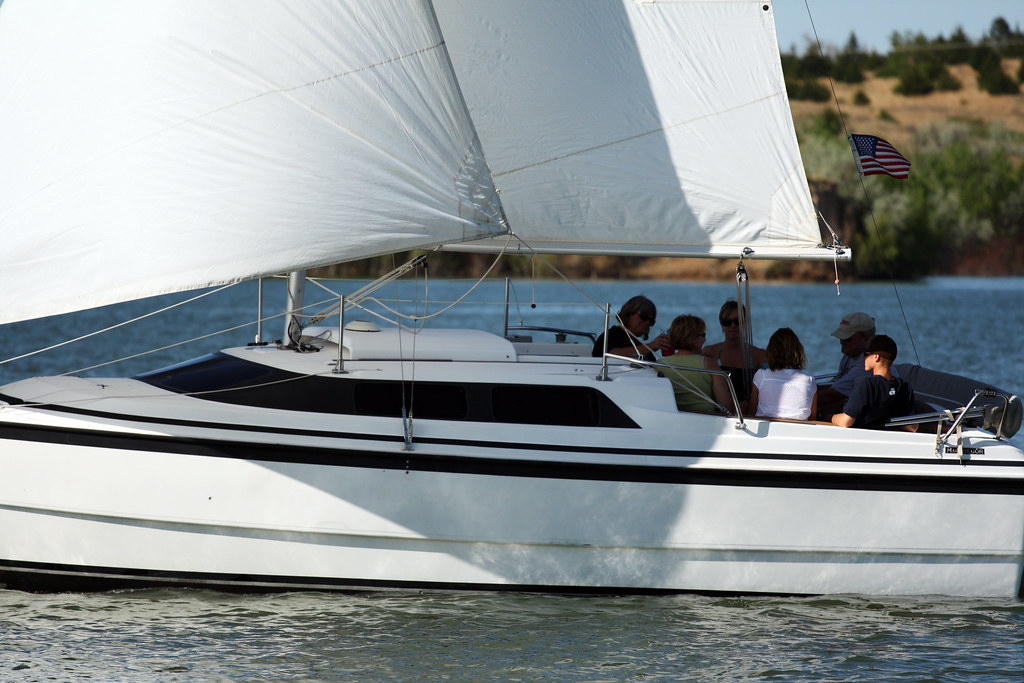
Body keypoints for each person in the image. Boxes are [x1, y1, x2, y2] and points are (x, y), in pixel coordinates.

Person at [832, 335, 916, 430]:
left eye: (865, 354)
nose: (863, 359)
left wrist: (830, 417)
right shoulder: (904, 387)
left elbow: (846, 422)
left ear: (876, 357)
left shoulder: (865, 384)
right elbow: (911, 426)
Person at [701, 300, 765, 411]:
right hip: (719, 414)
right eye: (727, 322)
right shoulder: (709, 352)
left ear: (745, 323)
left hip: (748, 414)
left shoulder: (759, 355)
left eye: (737, 321)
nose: (732, 326)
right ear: (721, 324)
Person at [662, 314, 731, 413]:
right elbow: (727, 407)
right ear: (693, 338)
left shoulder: (658, 365)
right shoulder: (708, 364)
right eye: (703, 335)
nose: (704, 339)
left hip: (672, 418)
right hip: (706, 418)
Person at [816, 311, 879, 420]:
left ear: (866, 338)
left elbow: (832, 395)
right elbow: (837, 387)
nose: (842, 341)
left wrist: (798, 399)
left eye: (847, 338)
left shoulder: (867, 363)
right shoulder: (849, 354)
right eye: (841, 337)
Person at [748, 328, 818, 420]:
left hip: (767, 428)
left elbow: (752, 412)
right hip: (799, 428)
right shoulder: (809, 381)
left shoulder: (761, 376)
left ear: (771, 352)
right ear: (798, 352)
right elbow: (813, 418)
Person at [592, 295, 671, 361]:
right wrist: (651, 346)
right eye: (644, 316)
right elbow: (612, 355)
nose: (647, 323)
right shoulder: (609, 337)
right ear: (629, 313)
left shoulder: (640, 346)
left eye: (651, 321)